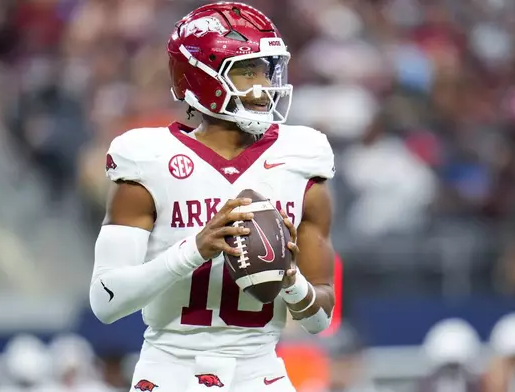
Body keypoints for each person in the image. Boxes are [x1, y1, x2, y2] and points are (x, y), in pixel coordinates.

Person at [89, 2, 336, 392]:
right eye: (245, 70)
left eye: (266, 69)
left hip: (261, 371)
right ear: (200, 76)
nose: (264, 85)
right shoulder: (147, 158)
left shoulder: (301, 157)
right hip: (170, 368)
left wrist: (289, 280)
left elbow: (319, 320)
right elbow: (106, 302)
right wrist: (196, 248)